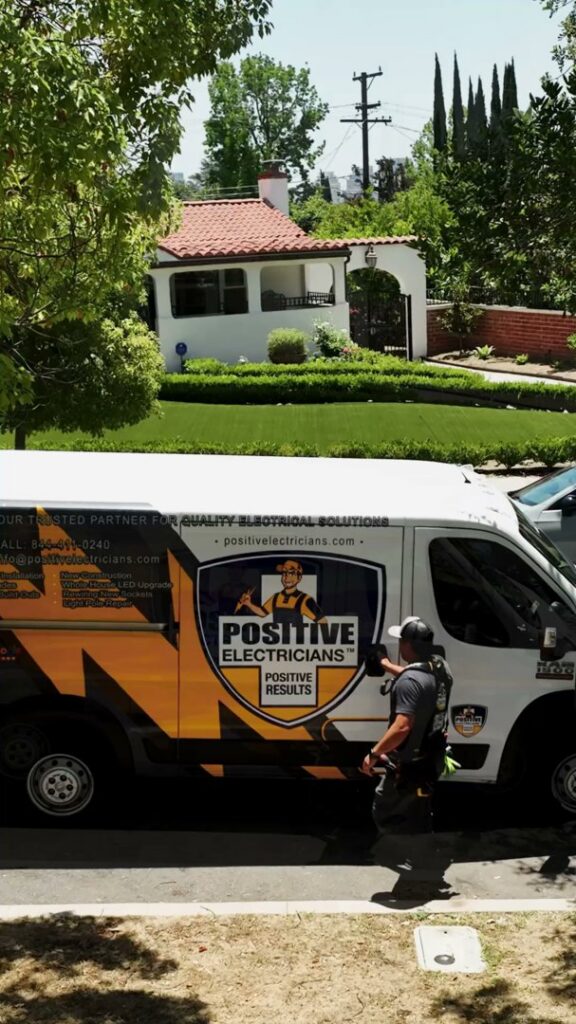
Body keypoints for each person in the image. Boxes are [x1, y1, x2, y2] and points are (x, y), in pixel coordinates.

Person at [360, 616, 453, 834]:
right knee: (419, 807)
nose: (399, 644)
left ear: (408, 645)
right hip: (432, 758)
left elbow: (402, 727)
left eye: (401, 640)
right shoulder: (440, 666)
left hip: (410, 764)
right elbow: (419, 679)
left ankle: (399, 850)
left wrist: (374, 753)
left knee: (385, 810)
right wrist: (385, 664)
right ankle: (421, 844)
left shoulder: (410, 682)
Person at [235, 559, 325, 625]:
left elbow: (323, 621)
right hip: (277, 645)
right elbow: (262, 612)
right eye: (284, 573)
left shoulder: (305, 599)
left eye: (292, 573)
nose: (287, 577)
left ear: (299, 578)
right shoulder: (276, 597)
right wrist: (249, 604)